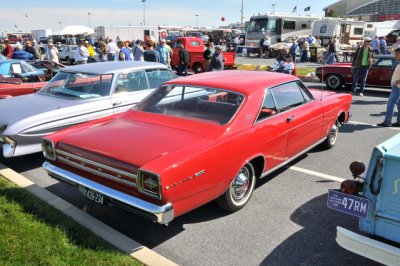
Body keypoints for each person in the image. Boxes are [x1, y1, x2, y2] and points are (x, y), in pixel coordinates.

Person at [377, 48, 400, 127]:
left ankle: (387, 122)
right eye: (395, 54)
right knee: (399, 105)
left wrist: (397, 82)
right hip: (397, 86)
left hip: (397, 87)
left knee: (390, 104)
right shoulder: (398, 62)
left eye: (397, 54)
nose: (395, 55)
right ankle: (399, 122)